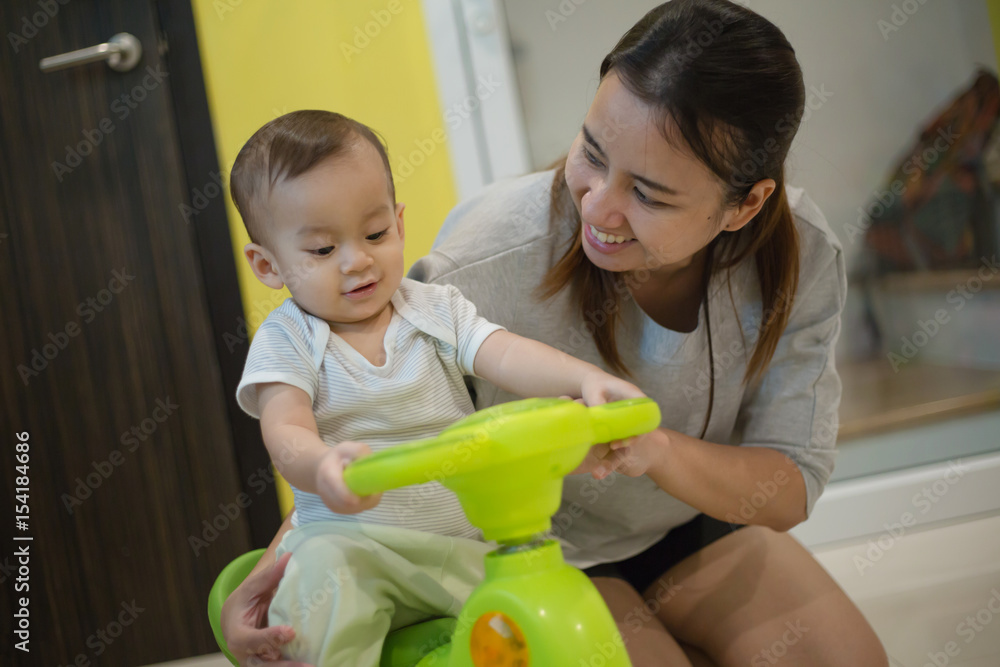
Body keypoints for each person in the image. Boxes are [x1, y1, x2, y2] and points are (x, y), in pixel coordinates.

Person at [221, 1, 889, 665]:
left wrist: (652, 448)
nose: (597, 205)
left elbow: (787, 483)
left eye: (649, 194)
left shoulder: (801, 255)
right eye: (591, 152)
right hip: (529, 546)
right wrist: (293, 556)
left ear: (746, 204)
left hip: (686, 522)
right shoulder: (482, 258)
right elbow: (366, 420)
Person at [228, 109, 645, 665]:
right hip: (357, 552)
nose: (357, 261)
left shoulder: (434, 308)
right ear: (267, 264)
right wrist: (323, 468)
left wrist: (588, 379)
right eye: (323, 251)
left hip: (463, 549)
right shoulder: (290, 339)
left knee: (534, 604)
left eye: (375, 233)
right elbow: (286, 431)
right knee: (321, 588)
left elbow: (507, 352)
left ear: (399, 224)